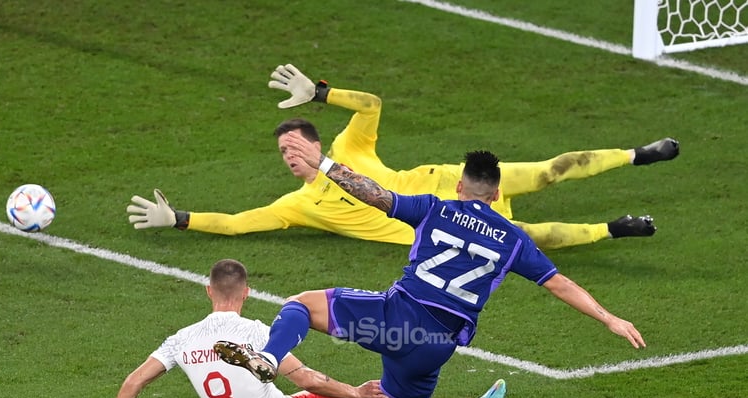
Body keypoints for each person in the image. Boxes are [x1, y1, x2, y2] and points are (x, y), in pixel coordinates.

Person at [213, 137, 646, 398]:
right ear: (496, 194)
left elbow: (374, 194)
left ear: (460, 187)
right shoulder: (513, 240)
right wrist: (610, 318)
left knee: (301, 305)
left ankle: (269, 358)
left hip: (393, 319)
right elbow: (560, 283)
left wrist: (325, 164)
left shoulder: (435, 209)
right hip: (434, 345)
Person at [125, 64, 678, 250]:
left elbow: (371, 104)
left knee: (547, 171)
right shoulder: (299, 205)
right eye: (282, 152)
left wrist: (321, 93)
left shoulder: (349, 146)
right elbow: (240, 223)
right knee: (529, 238)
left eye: (294, 146)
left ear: (316, 143)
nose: (288, 156)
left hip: (446, 179)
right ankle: (614, 228)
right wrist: (177, 218)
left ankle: (637, 155)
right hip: (442, 225)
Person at [77, 258, 507, 398]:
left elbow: (134, 381)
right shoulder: (255, 333)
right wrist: (353, 391)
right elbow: (309, 379)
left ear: (208, 291)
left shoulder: (181, 339)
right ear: (245, 293)